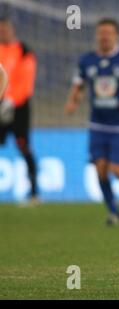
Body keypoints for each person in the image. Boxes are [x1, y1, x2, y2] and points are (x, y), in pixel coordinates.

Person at [65, 18, 119, 226]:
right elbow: (78, 85)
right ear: (97, 36)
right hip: (97, 123)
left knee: (117, 169)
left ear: (116, 36)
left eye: (108, 33)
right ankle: (114, 213)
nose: (104, 37)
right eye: (101, 33)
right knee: (100, 169)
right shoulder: (87, 60)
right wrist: (72, 101)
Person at [0, 17, 39, 204]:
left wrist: (11, 100)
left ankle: (34, 193)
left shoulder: (24, 50)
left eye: (6, 29)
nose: (3, 32)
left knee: (23, 146)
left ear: (12, 30)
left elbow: (26, 82)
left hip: (19, 107)